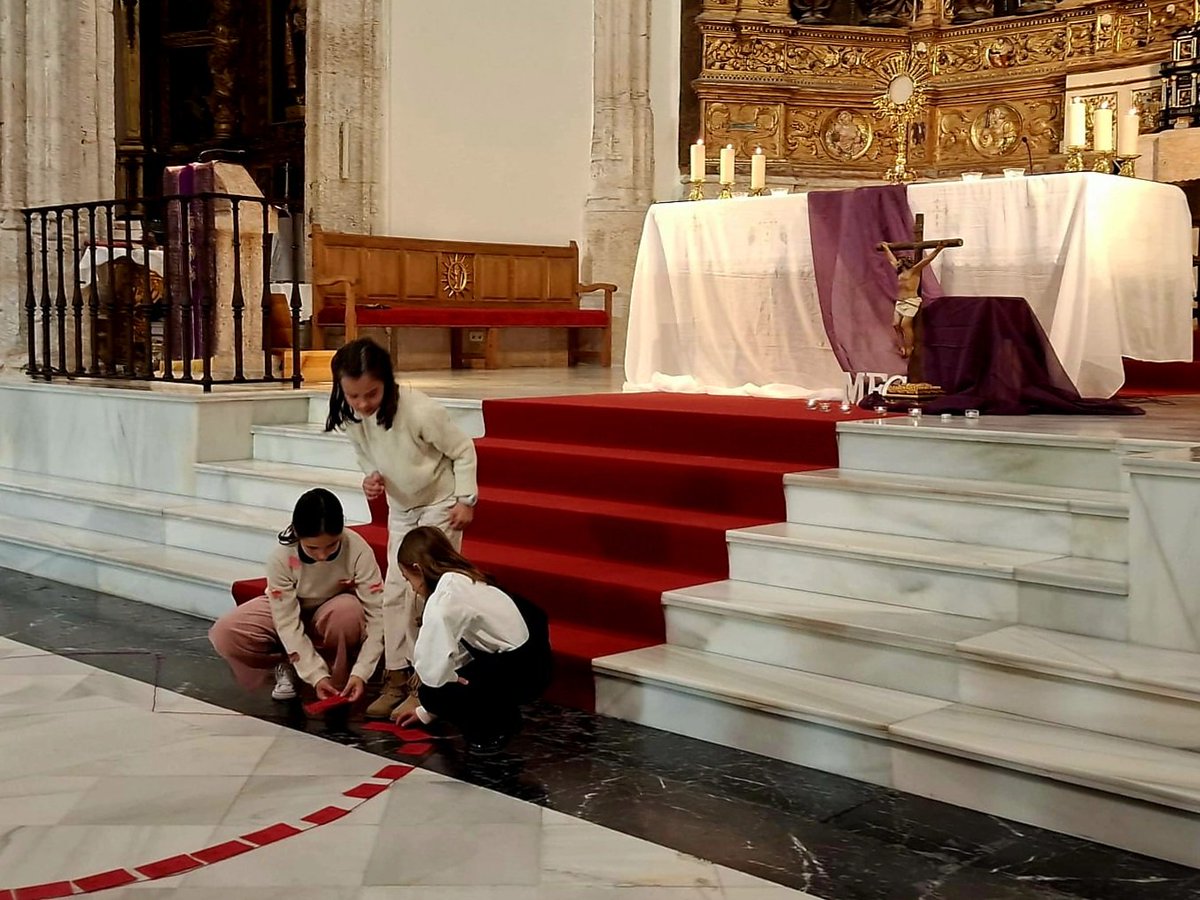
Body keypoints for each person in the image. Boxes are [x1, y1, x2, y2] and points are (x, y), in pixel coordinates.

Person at [325, 337, 479, 719]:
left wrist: (465, 499)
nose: (362, 404)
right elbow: (364, 454)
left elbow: (463, 450)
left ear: (388, 382)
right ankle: (397, 672)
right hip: (402, 507)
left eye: (371, 393)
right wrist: (369, 478)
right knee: (394, 591)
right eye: (354, 395)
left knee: (426, 592)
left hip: (439, 503)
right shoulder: (351, 413)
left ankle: (427, 682)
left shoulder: (420, 411)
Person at [209, 488, 384, 704]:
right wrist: (313, 673)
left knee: (348, 613)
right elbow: (286, 620)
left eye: (331, 545)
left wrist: (362, 671)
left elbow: (378, 613)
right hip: (289, 605)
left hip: (332, 607)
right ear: (297, 534)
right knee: (225, 632)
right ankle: (290, 664)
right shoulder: (283, 556)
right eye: (312, 548)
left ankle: (338, 680)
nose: (322, 555)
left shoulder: (357, 549)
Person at [391, 527, 552, 753]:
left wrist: (432, 701)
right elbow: (461, 652)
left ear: (418, 568)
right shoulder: (464, 578)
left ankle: (491, 729)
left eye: (408, 578)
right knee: (449, 682)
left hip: (522, 671)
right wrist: (424, 712)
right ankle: (502, 717)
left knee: (432, 692)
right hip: (532, 658)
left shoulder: (445, 599)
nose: (411, 587)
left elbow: (432, 669)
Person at [878, 241, 950, 359]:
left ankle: (909, 346)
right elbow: (891, 260)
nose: (899, 264)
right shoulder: (899, 272)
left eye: (902, 262)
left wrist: (938, 249)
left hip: (911, 301)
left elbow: (926, 260)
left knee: (905, 324)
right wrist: (886, 248)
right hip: (900, 302)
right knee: (895, 324)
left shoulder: (914, 271)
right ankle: (902, 345)